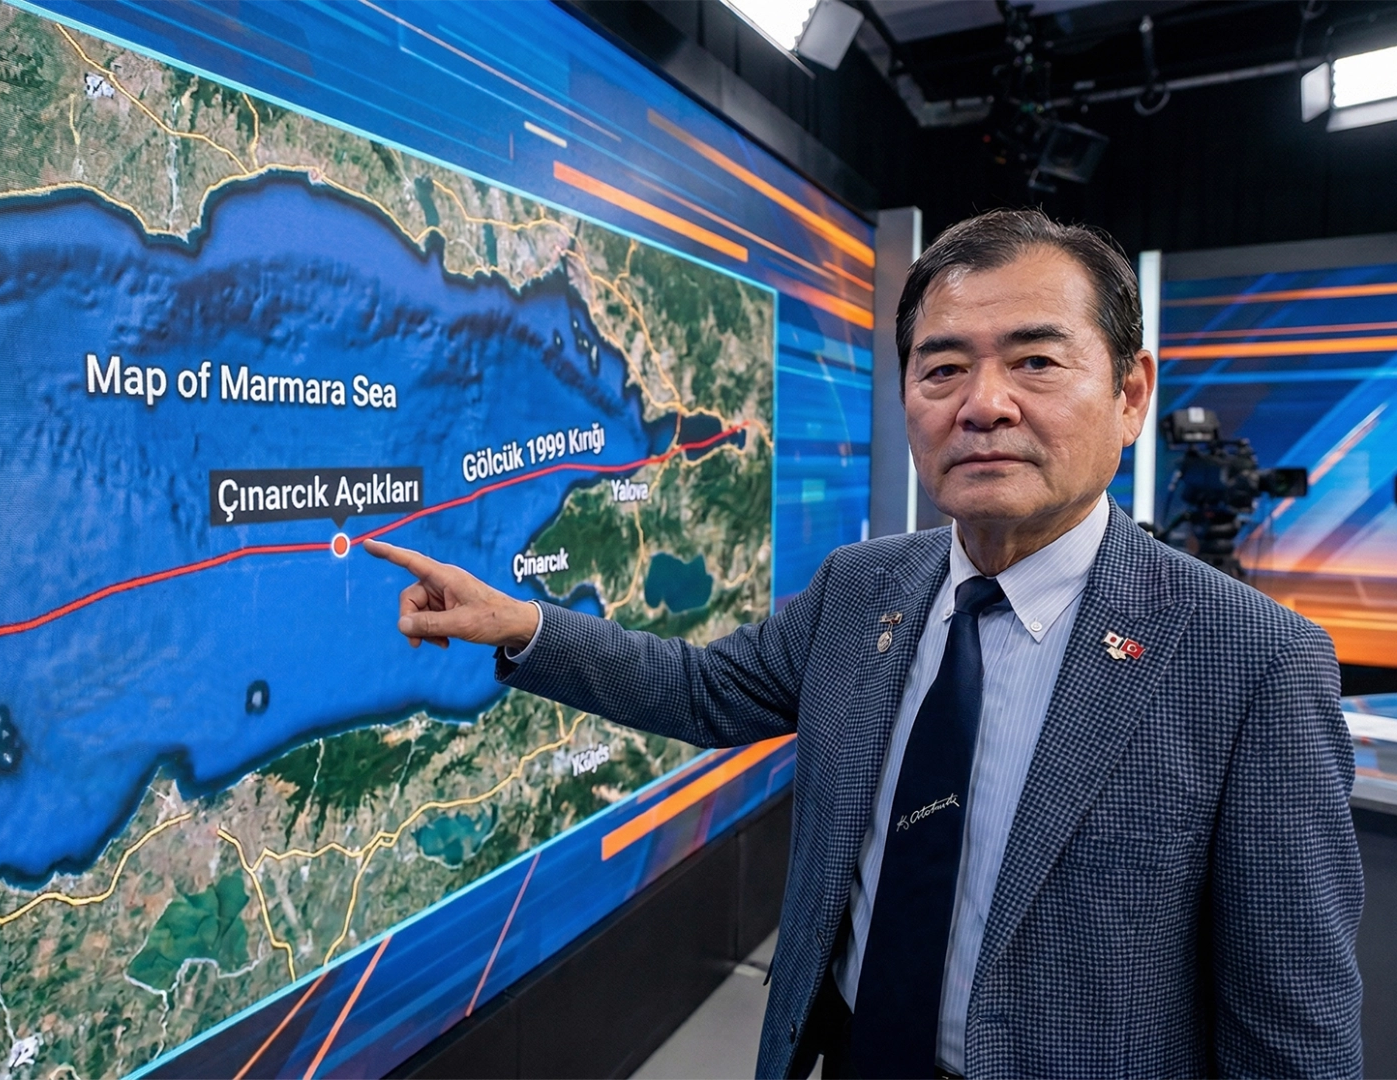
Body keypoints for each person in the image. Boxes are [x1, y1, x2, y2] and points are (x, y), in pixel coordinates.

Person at [365, 208, 1363, 1079]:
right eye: (943, 368)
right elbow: (703, 690)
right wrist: (522, 625)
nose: (983, 403)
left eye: (1035, 361)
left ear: (1131, 393)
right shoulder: (863, 588)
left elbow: (1294, 1035)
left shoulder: (1251, 663)